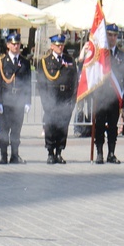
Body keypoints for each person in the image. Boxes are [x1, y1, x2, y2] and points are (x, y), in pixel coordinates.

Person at [39, 34, 77, 164]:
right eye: (57, 45)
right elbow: (41, 84)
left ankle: (59, 152)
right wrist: (45, 102)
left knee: (63, 126)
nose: (60, 47)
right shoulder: (45, 61)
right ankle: (50, 152)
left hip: (65, 98)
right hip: (51, 98)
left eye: (61, 45)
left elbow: (74, 82)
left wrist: (72, 100)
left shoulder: (70, 60)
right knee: (50, 126)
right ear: (52, 46)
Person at [0, 32, 30, 164]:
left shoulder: (24, 62)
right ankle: (3, 155)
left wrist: (28, 101)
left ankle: (15, 155)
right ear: (8, 45)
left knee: (16, 130)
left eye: (18, 44)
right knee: (4, 130)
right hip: (6, 101)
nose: (16, 46)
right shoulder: (1, 62)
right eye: (13, 44)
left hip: (19, 101)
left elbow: (28, 83)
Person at [92, 24, 124, 164]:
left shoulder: (122, 55)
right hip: (101, 95)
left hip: (114, 96)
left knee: (113, 127)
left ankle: (111, 153)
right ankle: (99, 152)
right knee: (99, 125)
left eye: (115, 35)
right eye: (110, 35)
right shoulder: (99, 54)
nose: (112, 38)